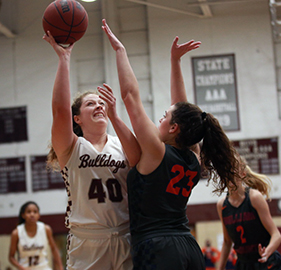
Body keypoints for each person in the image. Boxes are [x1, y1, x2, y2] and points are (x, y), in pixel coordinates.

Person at [102, 18, 240, 270]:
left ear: (174, 128)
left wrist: (120, 51)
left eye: (164, 116)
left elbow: (130, 97)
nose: (160, 118)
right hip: (188, 246)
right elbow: (185, 111)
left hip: (158, 248)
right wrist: (175, 62)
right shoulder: (193, 155)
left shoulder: (156, 151)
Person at [43, 25, 141, 270]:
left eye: (101, 102)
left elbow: (140, 158)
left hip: (125, 235)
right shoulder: (71, 148)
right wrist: (64, 59)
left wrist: (117, 114)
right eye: (90, 104)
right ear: (77, 118)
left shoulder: (122, 143)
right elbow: (59, 110)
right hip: (87, 242)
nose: (99, 106)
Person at [215, 156, 281, 270]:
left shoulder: (254, 198)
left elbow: (276, 235)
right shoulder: (221, 205)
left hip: (266, 262)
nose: (230, 175)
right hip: (243, 264)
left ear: (242, 174)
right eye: (226, 172)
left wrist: (267, 252)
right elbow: (227, 242)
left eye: (233, 172)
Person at [8, 201, 63, 270]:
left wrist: (60, 267)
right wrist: (20, 267)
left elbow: (54, 249)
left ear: (39, 215)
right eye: (28, 212)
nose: (32, 214)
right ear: (23, 215)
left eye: (35, 212)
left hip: (43, 268)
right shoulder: (16, 233)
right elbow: (11, 257)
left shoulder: (46, 229)